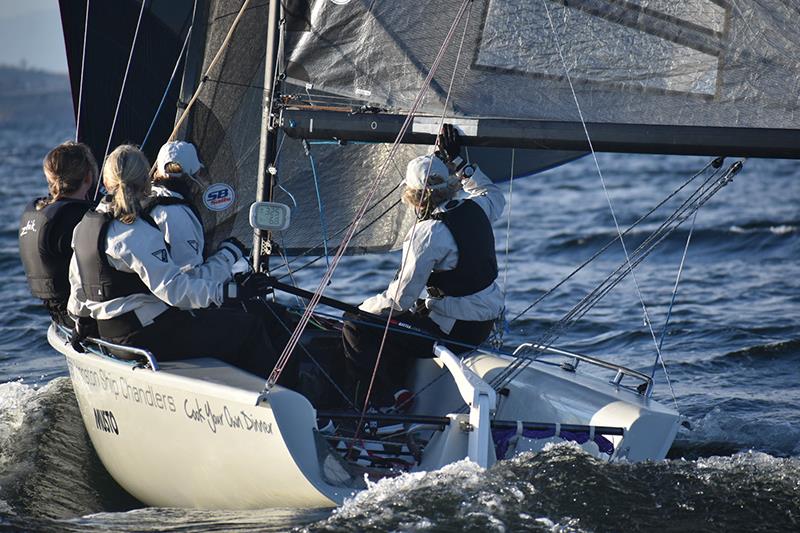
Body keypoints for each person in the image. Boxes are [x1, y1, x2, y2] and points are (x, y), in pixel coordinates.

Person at [67, 144, 277, 377]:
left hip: (110, 335)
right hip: (146, 337)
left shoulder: (84, 226)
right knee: (250, 328)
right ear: (146, 183)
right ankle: (279, 397)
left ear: (106, 183)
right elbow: (174, 292)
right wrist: (231, 291)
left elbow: (78, 285)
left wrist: (82, 325)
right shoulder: (135, 232)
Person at [342, 124, 506, 409]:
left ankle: (385, 401)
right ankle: (398, 389)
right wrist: (457, 163)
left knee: (357, 326)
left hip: (455, 332)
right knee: (408, 316)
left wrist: (361, 309)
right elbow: (491, 192)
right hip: (483, 324)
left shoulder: (427, 234)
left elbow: (399, 299)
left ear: (413, 197)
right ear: (449, 185)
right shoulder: (477, 208)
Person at [19, 142, 97, 328]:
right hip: (82, 318)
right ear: (88, 177)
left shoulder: (35, 211)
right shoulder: (78, 217)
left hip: (56, 314)